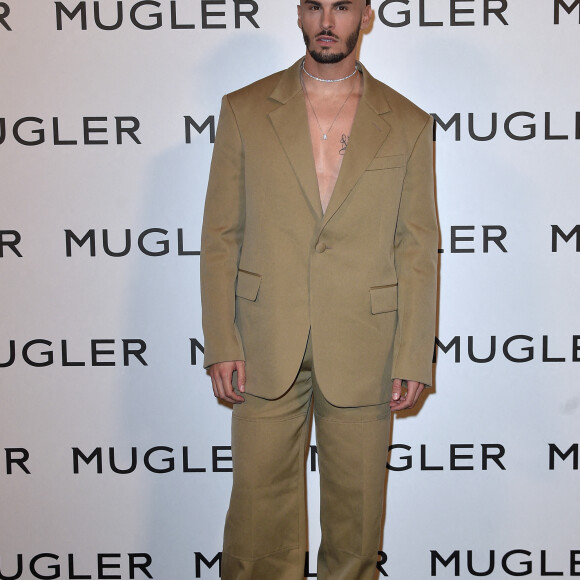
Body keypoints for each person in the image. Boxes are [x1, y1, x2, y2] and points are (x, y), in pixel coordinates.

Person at [200, 0, 438, 577]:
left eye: (342, 6)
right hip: (265, 338)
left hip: (367, 343)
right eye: (314, 6)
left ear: (366, 16)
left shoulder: (408, 122)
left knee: (356, 529)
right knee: (258, 521)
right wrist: (222, 342)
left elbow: (417, 247)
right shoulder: (244, 110)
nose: (327, 20)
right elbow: (221, 235)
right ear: (298, 16)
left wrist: (413, 353)